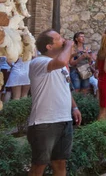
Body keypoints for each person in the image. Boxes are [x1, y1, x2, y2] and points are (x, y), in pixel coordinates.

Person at [27, 30, 82, 176]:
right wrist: (69, 45)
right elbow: (62, 61)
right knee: (39, 166)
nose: (63, 40)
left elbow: (64, 86)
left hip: (64, 119)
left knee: (60, 163)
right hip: (44, 122)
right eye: (59, 39)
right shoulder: (38, 62)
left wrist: (74, 107)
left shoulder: (60, 65)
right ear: (49, 46)